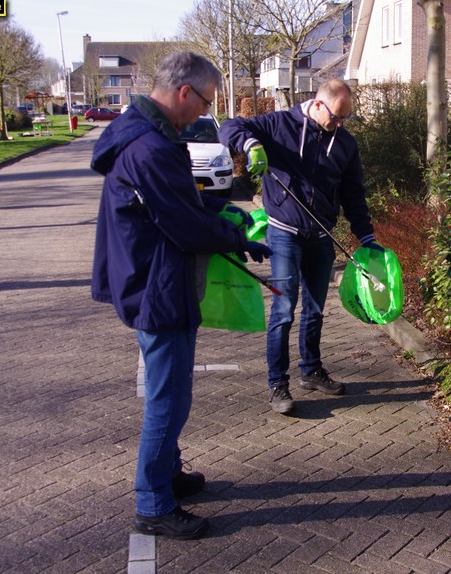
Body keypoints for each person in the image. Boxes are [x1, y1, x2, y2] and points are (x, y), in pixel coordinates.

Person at [90, 51, 270, 539]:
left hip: (153, 278)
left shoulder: (147, 135)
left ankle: (168, 475)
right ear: (184, 91)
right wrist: (236, 237)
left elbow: (179, 201)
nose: (206, 112)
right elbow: (183, 223)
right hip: (157, 285)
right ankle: (153, 503)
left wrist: (222, 214)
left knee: (167, 389)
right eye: (207, 101)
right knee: (168, 399)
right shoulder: (150, 147)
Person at [220, 79, 382, 414]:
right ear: (318, 104)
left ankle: (311, 370)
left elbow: (353, 193)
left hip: (321, 236)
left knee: (315, 309)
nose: (340, 124)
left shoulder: (345, 144)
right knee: (283, 311)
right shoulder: (279, 125)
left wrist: (365, 235)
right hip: (284, 235)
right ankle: (278, 384)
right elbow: (229, 127)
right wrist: (251, 144)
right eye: (336, 117)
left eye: (345, 118)